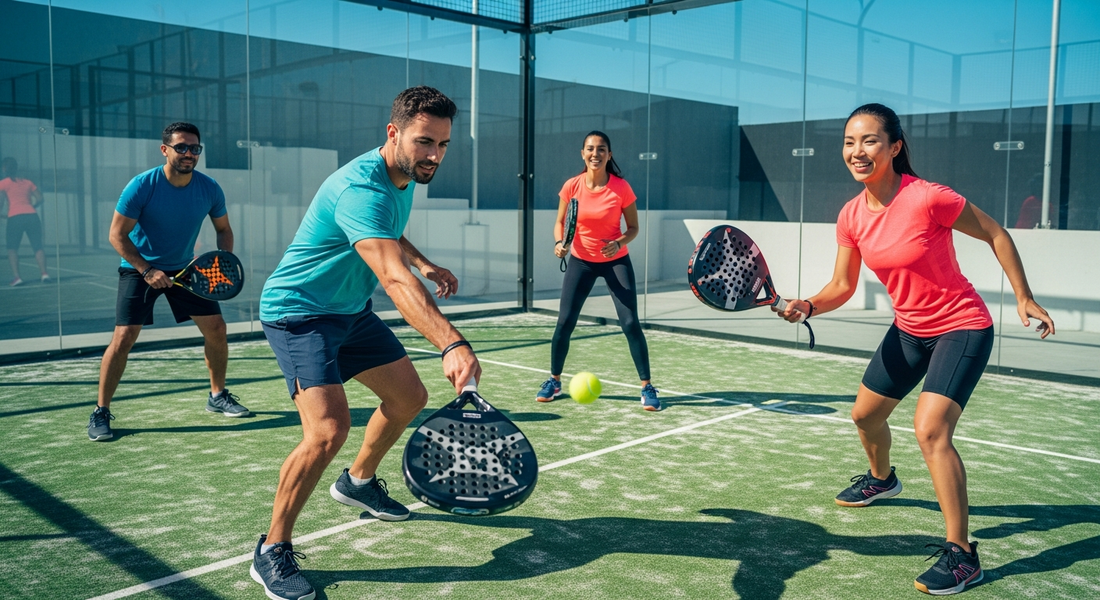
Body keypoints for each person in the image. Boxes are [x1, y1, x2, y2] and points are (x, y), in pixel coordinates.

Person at [775, 103, 1055, 596]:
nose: (856, 151)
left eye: (869, 141)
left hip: (961, 326)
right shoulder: (851, 215)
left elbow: (995, 232)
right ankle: (882, 479)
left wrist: (1024, 296)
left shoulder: (928, 197)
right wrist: (810, 305)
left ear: (894, 147)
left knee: (930, 430)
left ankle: (963, 553)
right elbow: (841, 284)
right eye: (849, 142)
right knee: (864, 416)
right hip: (909, 330)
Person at [249, 86, 481, 600]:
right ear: (393, 133)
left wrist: (424, 262)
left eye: (443, 144)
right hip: (299, 313)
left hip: (349, 310)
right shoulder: (361, 187)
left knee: (408, 399)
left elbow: (387, 233)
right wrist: (451, 342)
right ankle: (272, 549)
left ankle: (357, 481)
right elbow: (393, 281)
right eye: (425, 142)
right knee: (327, 429)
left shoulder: (401, 176)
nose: (435, 156)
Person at [88, 122, 249, 442]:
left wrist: (220, 260)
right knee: (123, 337)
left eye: (195, 149)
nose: (189, 153)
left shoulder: (210, 188)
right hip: (139, 269)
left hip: (186, 270)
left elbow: (224, 230)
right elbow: (116, 235)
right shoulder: (141, 186)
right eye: (182, 147)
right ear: (165, 149)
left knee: (217, 329)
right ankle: (101, 411)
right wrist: (147, 270)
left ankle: (217, 396)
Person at [537, 131, 660, 411]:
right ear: (583, 153)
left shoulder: (621, 188)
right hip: (581, 261)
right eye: (590, 149)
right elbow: (560, 222)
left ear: (609, 155)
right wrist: (560, 242)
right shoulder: (571, 186)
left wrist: (618, 242)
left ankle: (647, 386)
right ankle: (554, 380)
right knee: (565, 322)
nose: (596, 153)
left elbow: (634, 228)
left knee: (630, 323)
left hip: (616, 260)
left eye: (601, 149)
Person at [0, 158, 50, 286]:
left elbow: (0, 203)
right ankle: (44, 274)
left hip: (15, 218)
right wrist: (30, 207)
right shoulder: (28, 182)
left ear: (5, 168)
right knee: (38, 247)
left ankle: (17, 277)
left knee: (12, 249)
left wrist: (4, 214)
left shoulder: (3, 183)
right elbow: (40, 198)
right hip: (32, 216)